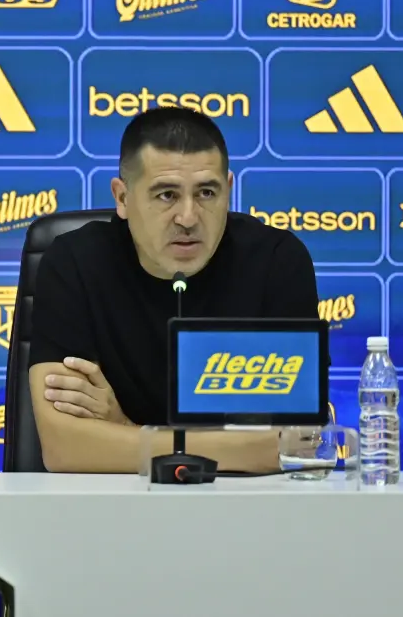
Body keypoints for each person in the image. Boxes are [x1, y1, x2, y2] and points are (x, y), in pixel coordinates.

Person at [27, 107, 320, 474]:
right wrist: (224, 446)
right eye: (166, 195)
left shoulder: (276, 261)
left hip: (244, 502)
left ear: (229, 191)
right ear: (122, 198)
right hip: (109, 502)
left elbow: (294, 445)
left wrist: (125, 429)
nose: (188, 218)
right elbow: (65, 449)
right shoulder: (75, 262)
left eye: (207, 193)